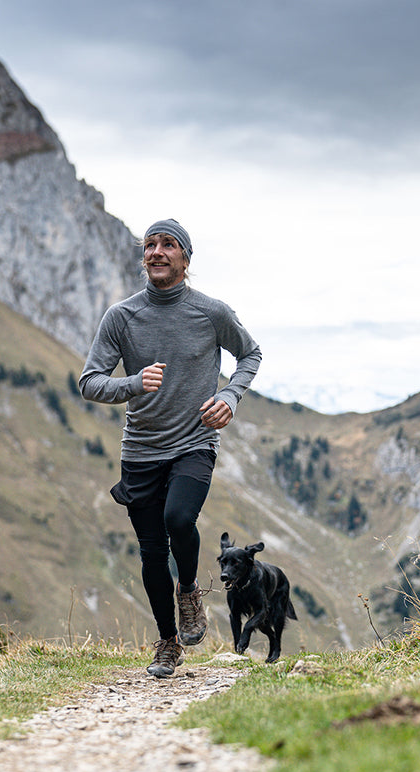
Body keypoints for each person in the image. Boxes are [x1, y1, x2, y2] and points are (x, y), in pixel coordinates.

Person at [79, 218, 262, 677]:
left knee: (179, 518)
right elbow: (89, 381)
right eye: (150, 245)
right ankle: (167, 643)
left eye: (168, 245)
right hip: (141, 448)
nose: (156, 252)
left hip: (194, 441)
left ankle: (190, 590)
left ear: (185, 258)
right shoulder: (121, 317)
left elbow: (251, 354)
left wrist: (229, 395)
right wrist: (133, 383)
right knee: (150, 552)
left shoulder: (211, 312)